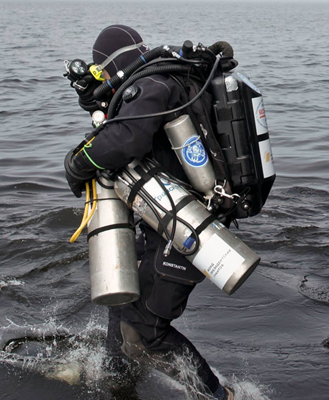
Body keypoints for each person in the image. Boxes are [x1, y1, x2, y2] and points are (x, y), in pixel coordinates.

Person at [63, 25, 236, 400]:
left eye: (100, 72)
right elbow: (126, 120)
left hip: (188, 225)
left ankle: (220, 395)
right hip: (171, 216)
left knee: (146, 330)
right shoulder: (163, 79)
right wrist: (95, 100)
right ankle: (118, 378)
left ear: (110, 64)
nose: (103, 80)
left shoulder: (152, 85)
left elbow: (124, 139)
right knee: (122, 294)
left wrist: (78, 164)